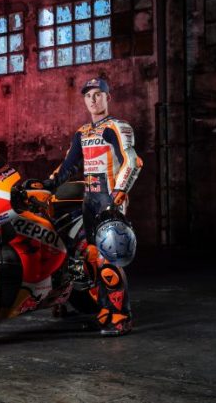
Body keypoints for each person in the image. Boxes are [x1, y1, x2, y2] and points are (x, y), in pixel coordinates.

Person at [45, 78, 142, 336]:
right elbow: (68, 165)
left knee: (109, 258)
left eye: (98, 94)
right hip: (90, 200)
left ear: (108, 98)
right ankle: (105, 312)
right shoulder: (82, 133)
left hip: (110, 200)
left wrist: (119, 193)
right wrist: (48, 184)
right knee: (91, 257)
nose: (93, 100)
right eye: (88, 96)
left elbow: (132, 161)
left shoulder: (117, 126)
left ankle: (121, 317)